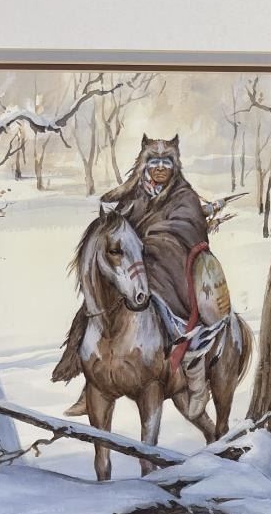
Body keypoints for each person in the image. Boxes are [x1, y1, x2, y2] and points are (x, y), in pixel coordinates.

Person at [53, 133, 226, 416]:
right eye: (155, 162)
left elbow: (188, 228)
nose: (160, 168)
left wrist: (151, 241)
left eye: (166, 162)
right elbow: (118, 225)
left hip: (170, 265)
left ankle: (191, 372)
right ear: (145, 165)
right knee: (97, 305)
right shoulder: (133, 194)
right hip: (134, 262)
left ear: (174, 166)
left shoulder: (185, 197)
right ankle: (90, 378)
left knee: (175, 313)